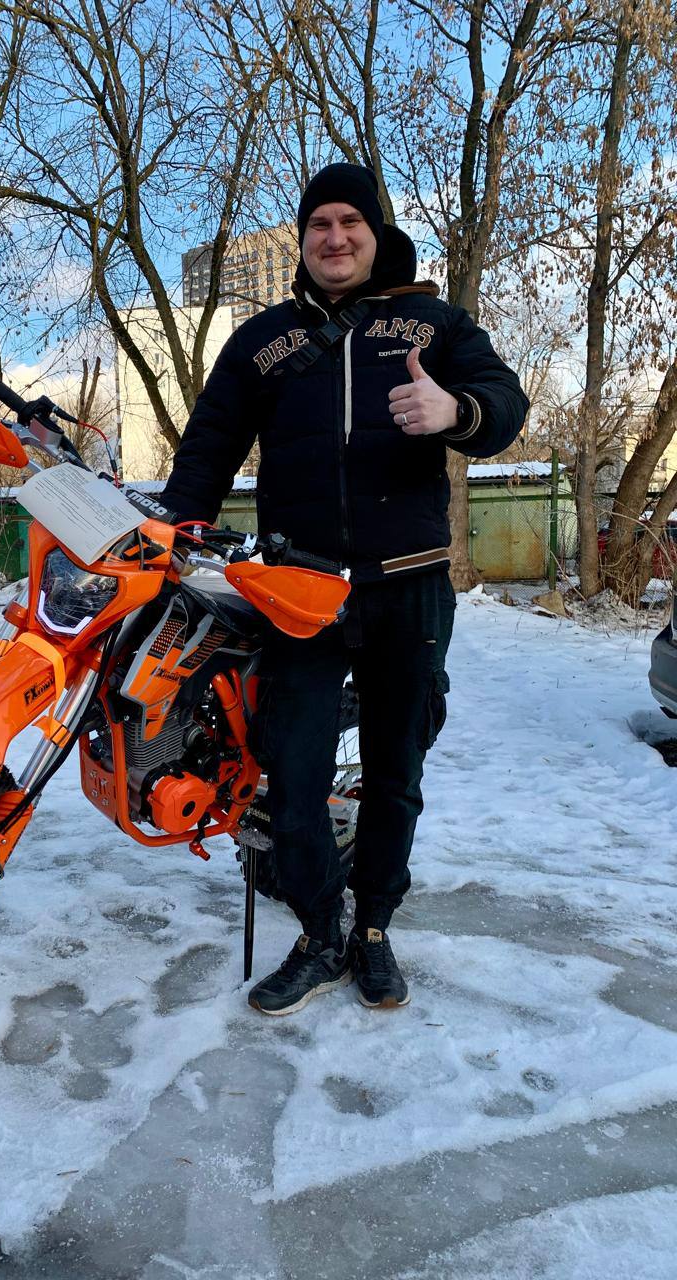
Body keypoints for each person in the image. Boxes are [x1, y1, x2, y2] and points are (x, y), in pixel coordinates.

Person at [161, 163, 528, 1016]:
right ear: (302, 240)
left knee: (397, 770)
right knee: (292, 777)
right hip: (302, 591)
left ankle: (374, 928)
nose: (334, 237)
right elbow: (210, 442)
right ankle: (321, 932)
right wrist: (176, 524)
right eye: (319, 224)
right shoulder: (263, 340)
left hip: (410, 587)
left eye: (349, 223)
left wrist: (456, 413)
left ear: (375, 233)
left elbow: (504, 403)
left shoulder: (432, 323)